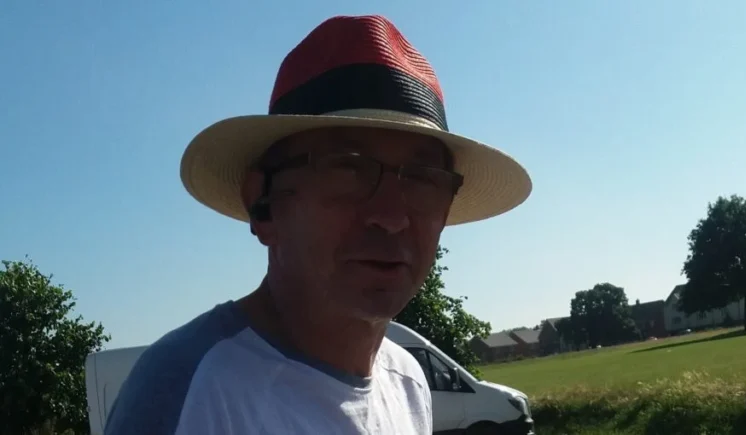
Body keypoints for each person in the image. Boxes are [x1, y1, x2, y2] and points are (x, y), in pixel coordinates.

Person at [105, 14, 531, 435]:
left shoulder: (407, 382)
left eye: (423, 179)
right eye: (347, 169)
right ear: (263, 205)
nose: (392, 217)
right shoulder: (192, 395)